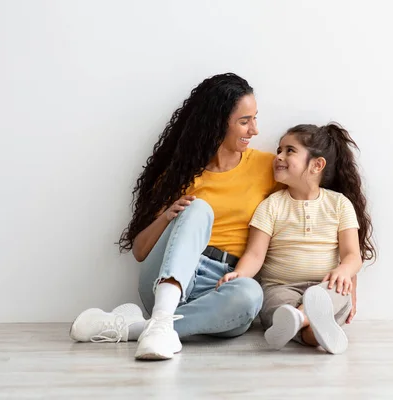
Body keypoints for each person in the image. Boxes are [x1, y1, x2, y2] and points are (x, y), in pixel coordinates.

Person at [69, 73, 277, 360]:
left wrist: (347, 273)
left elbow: (314, 191)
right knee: (198, 208)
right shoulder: (180, 175)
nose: (254, 129)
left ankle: (136, 328)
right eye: (245, 121)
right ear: (218, 123)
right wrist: (168, 216)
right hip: (168, 275)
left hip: (222, 284)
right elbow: (141, 251)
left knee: (251, 295)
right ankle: (163, 314)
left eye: (254, 118)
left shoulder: (266, 167)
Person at [216, 122, 376, 354]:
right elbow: (255, 254)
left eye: (289, 151)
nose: (279, 156)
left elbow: (352, 255)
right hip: (280, 287)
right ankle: (312, 331)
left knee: (338, 291)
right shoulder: (271, 206)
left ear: (317, 165)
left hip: (326, 287)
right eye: (279, 150)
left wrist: (344, 271)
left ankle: (299, 321)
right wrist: (239, 275)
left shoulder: (339, 204)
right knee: (277, 306)